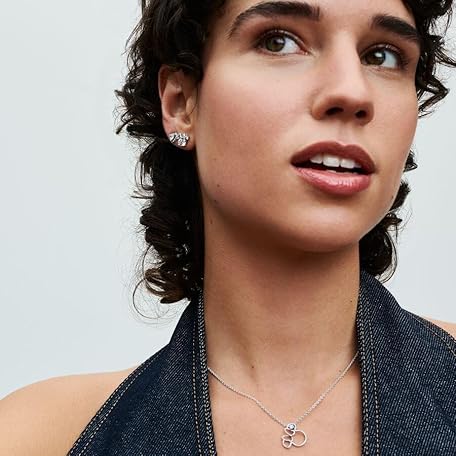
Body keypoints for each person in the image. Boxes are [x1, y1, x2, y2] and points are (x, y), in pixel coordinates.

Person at [1, 0, 456, 454]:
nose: (353, 92)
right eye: (278, 43)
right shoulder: (43, 438)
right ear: (181, 103)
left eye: (382, 55)